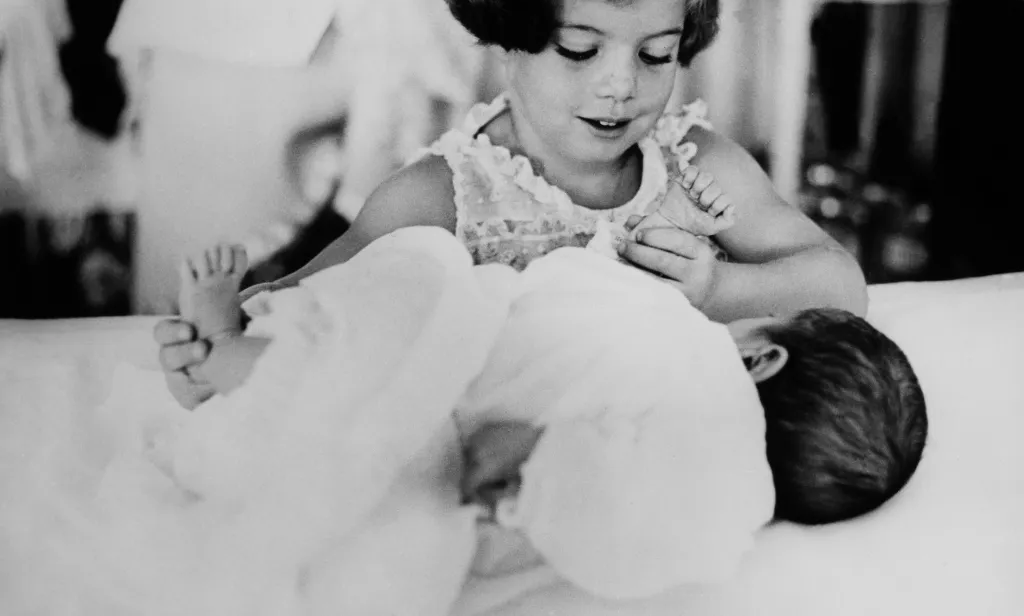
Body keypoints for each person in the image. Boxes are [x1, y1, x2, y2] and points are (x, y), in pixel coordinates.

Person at [156, 0, 866, 408]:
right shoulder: (445, 195)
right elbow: (312, 307)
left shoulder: (694, 161)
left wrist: (718, 288)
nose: (621, 86)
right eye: (580, 50)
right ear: (507, 37)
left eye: (656, 54)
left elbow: (840, 284)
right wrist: (228, 328)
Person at [167, 222, 925, 599]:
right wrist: (541, 483)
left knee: (423, 269)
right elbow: (635, 532)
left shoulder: (685, 346)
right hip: (435, 467)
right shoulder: (729, 506)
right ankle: (236, 364)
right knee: (385, 443)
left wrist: (599, 266)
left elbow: (566, 291)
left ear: (762, 356)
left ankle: (232, 351)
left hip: (445, 378)